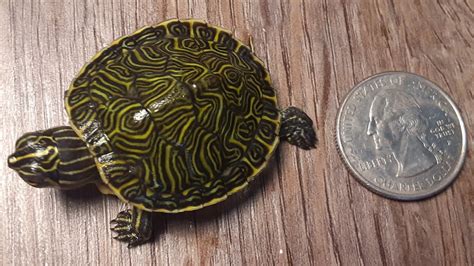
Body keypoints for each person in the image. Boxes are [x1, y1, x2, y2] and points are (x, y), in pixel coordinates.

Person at [366, 88, 440, 178]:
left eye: (377, 121)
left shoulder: (418, 165)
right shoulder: (406, 168)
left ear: (405, 122)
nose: (369, 131)